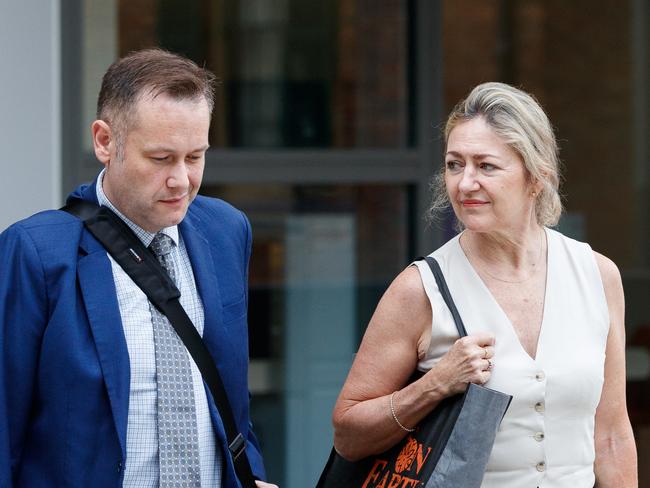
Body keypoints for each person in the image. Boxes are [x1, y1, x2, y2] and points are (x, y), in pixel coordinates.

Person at [331, 82, 637, 487]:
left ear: (536, 176)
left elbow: (612, 437)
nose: (464, 183)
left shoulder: (597, 276)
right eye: (454, 164)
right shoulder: (420, 288)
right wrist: (434, 385)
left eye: (486, 166)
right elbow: (348, 435)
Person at [0, 48, 277, 488]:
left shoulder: (226, 230)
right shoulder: (35, 250)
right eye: (161, 159)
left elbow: (231, 400)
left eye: (195, 156)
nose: (181, 180)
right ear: (105, 142)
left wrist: (251, 475)